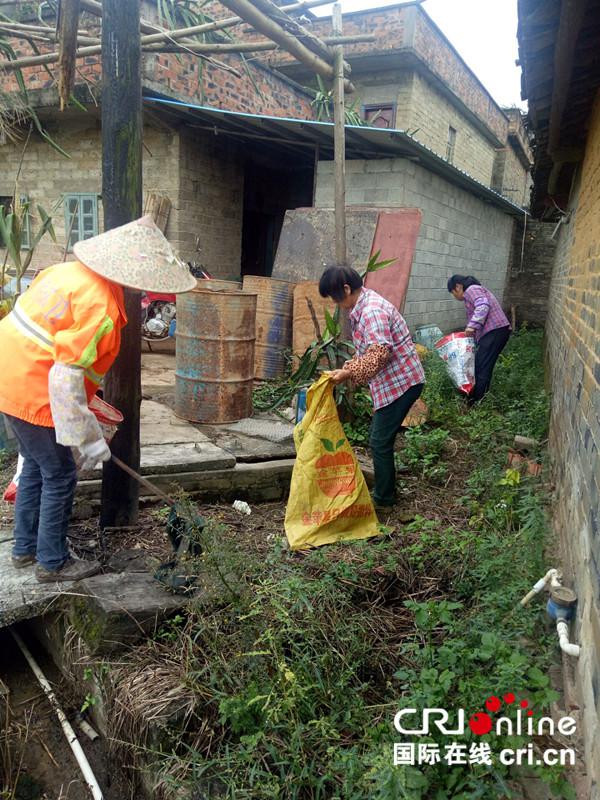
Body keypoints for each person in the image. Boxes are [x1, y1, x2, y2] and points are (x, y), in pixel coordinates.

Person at [0, 215, 196, 583]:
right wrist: (89, 440)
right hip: (34, 386)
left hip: (7, 377)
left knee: (36, 464)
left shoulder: (63, 272)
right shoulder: (101, 309)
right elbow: (63, 380)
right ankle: (52, 562)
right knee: (59, 474)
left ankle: (24, 549)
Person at [318, 265, 425, 514]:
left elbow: (379, 354)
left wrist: (348, 373)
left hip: (402, 383)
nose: (336, 303)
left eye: (335, 297)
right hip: (394, 382)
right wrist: (350, 366)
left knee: (379, 441)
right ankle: (385, 492)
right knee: (381, 438)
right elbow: (368, 350)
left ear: (346, 289)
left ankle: (384, 500)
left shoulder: (371, 311)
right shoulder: (363, 306)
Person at [447, 274, 511, 403]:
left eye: (453, 293)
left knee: (481, 367)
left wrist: (472, 326)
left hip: (495, 331)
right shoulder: (474, 292)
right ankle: (478, 399)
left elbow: (483, 305)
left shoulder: (471, 289)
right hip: (495, 332)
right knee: (482, 365)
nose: (454, 296)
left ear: (458, 287)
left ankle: (476, 402)